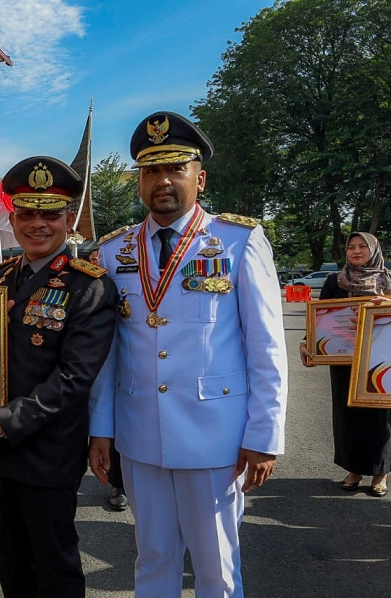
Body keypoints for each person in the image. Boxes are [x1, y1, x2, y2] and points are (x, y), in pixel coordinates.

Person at [88, 111, 288, 597]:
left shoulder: (239, 241)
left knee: (216, 565)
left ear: (200, 178)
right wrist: (101, 428)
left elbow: (266, 346)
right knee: (152, 558)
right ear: (139, 181)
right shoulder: (113, 251)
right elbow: (108, 352)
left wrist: (264, 435)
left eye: (175, 169)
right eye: (151, 170)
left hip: (215, 435)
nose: (163, 181)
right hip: (139, 432)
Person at [0, 156, 118, 597]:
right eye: (26, 213)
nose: (37, 224)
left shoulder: (90, 285)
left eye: (50, 214)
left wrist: (4, 421)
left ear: (69, 219)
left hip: (48, 448)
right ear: (12, 219)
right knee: (11, 563)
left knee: (53, 566)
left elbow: (75, 377)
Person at [300, 232, 391, 497]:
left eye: (363, 246)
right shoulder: (335, 281)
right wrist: (307, 343)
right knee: (348, 415)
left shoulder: (388, 280)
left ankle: (380, 473)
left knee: (382, 418)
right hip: (343, 359)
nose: (356, 251)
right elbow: (321, 318)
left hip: (381, 360)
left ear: (374, 250)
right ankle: (354, 470)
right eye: (351, 247)